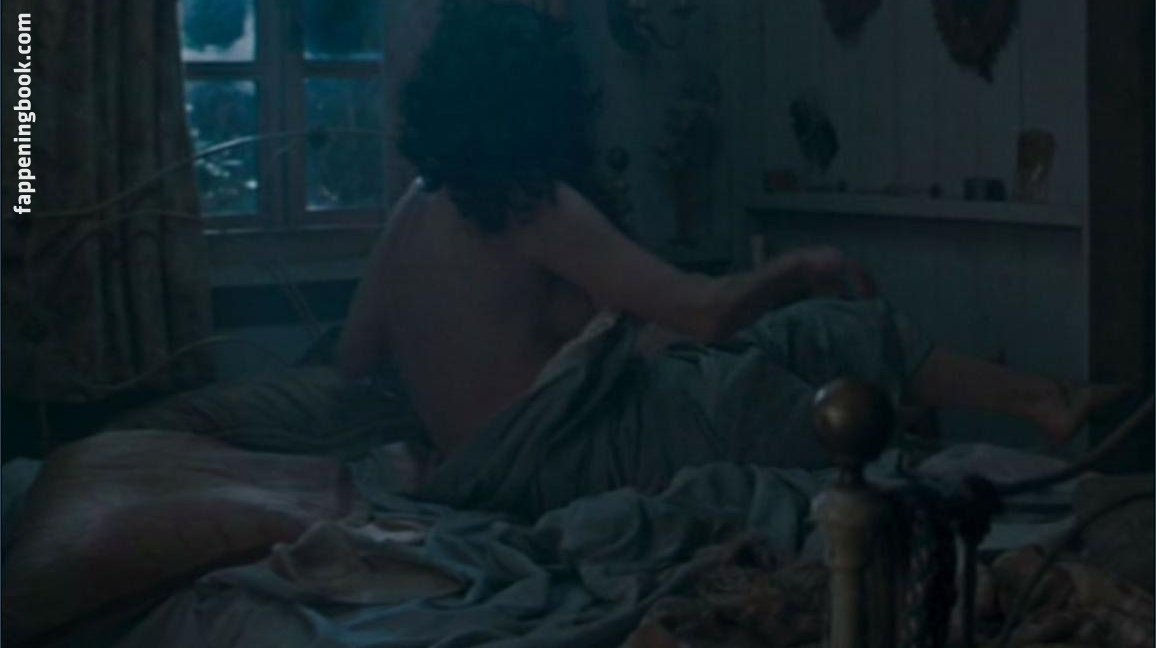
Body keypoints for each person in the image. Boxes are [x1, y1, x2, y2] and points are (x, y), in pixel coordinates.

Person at [339, 1, 1124, 513]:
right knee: (753, 392)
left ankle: (1041, 399)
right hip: (559, 458)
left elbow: (353, 359)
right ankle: (955, 494)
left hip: (507, 456)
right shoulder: (525, 200)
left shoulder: (413, 209)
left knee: (817, 331)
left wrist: (450, 423)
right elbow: (703, 311)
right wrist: (798, 267)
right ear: (539, 96)